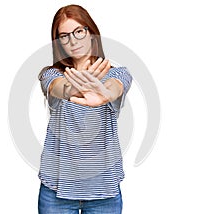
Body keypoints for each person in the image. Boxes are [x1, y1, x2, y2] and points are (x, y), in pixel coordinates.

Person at [38, 4, 132, 214]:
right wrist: (76, 87)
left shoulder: (118, 74)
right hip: (56, 193)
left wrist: (105, 93)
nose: (73, 41)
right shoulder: (51, 75)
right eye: (64, 35)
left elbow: (116, 87)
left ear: (91, 33)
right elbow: (59, 88)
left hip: (104, 193)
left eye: (79, 31)